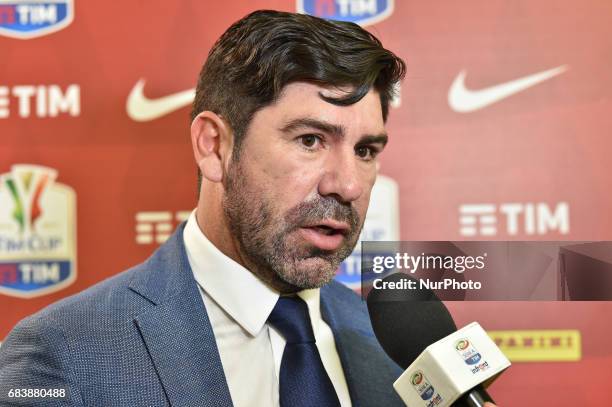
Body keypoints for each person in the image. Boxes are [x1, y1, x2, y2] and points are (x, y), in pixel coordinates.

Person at [0, 9, 499, 407]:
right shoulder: (63, 352)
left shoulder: (391, 346)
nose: (348, 184)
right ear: (214, 147)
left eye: (366, 150)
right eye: (310, 140)